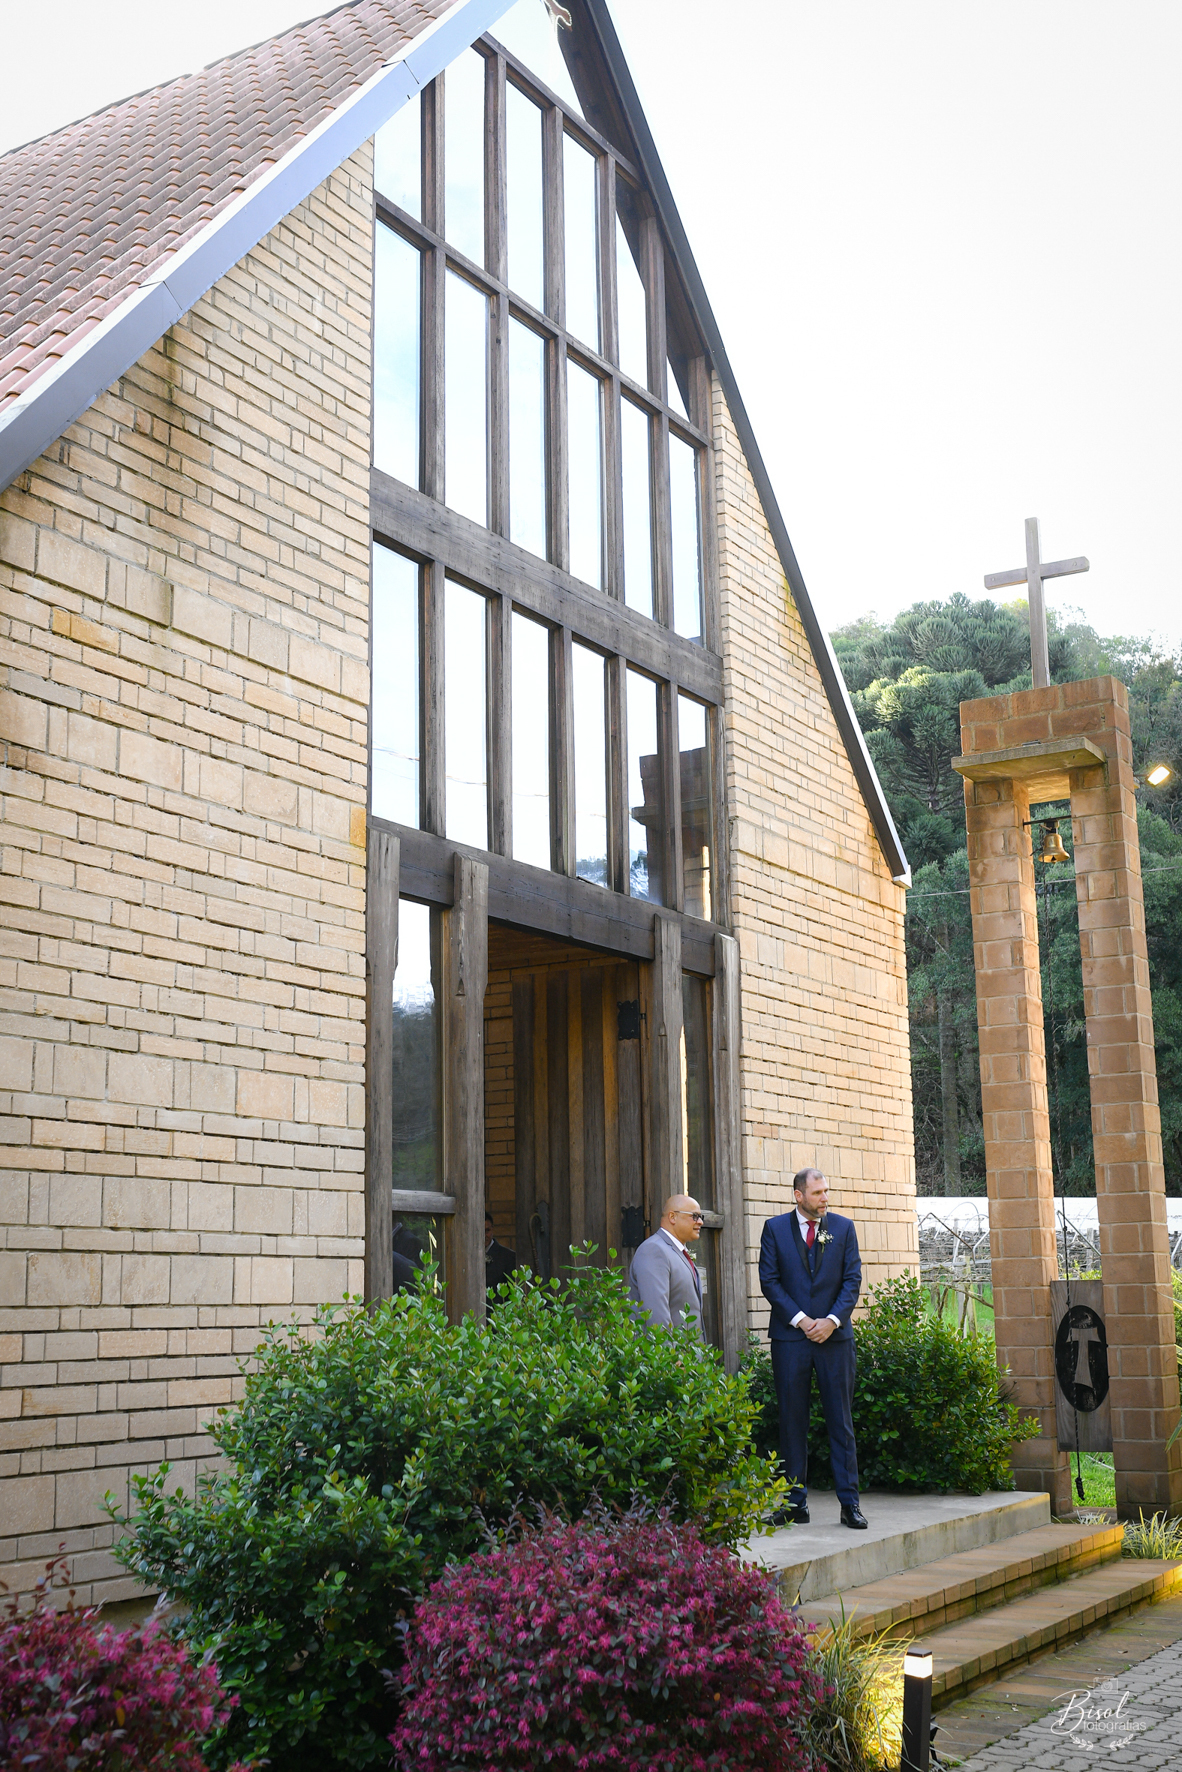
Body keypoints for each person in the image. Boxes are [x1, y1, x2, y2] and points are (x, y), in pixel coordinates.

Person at [759, 1167, 866, 1529]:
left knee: (841, 1421)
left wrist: (831, 1321)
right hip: (791, 1340)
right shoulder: (774, 1230)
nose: (825, 1198)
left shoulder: (843, 1228)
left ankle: (849, 1504)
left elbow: (852, 1279)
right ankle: (794, 1503)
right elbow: (770, 1282)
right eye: (818, 1192)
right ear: (798, 1195)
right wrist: (803, 1321)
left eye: (826, 1191)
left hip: (835, 1340)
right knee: (792, 1423)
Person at [628, 1195, 705, 1338]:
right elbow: (655, 1314)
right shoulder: (654, 1250)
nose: (700, 1222)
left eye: (701, 1217)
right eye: (694, 1216)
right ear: (672, 1217)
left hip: (688, 1357)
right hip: (669, 1358)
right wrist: (671, 1357)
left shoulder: (677, 1252)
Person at [485, 1212, 520, 1302]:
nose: (484, 1235)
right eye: (480, 1231)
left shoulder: (508, 1257)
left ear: (492, 1229)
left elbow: (513, 1293)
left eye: (487, 1230)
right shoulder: (467, 1257)